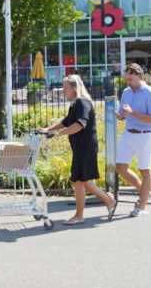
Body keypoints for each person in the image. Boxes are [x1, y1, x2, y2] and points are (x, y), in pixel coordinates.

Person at [38, 74, 115, 224]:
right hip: (81, 148)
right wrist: (48, 129)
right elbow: (66, 122)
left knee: (82, 181)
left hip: (85, 147)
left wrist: (58, 134)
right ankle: (91, 208)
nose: (63, 91)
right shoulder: (75, 104)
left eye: (65, 88)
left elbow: (80, 124)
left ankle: (105, 202)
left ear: (74, 88)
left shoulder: (82, 102)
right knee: (80, 181)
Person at [114, 63, 151, 217]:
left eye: (131, 79)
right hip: (128, 133)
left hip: (145, 134)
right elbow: (124, 113)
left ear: (139, 76)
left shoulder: (150, 93)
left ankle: (142, 206)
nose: (128, 82)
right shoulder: (126, 92)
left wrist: (132, 112)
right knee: (120, 167)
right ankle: (144, 191)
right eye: (126, 79)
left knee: (145, 170)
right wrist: (120, 115)